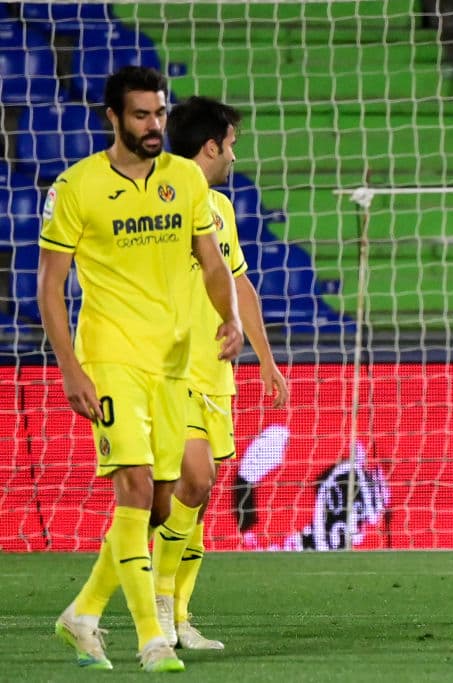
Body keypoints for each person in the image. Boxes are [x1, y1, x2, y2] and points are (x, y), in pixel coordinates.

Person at [39, 67, 243, 672]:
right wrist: (70, 367)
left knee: (160, 501)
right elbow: (51, 286)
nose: (153, 126)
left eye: (158, 114)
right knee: (132, 485)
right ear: (113, 118)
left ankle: (81, 615)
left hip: (174, 363)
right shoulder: (76, 188)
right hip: (109, 359)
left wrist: (228, 317)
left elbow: (213, 263)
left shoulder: (185, 180)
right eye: (140, 116)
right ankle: (153, 638)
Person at [150, 95, 289, 650]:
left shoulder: (220, 209)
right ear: (211, 145)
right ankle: (157, 603)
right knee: (196, 477)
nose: (235, 154)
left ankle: (180, 617)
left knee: (199, 497)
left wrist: (267, 360)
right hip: (167, 367)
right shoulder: (159, 200)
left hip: (215, 372)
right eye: (231, 144)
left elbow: (239, 285)